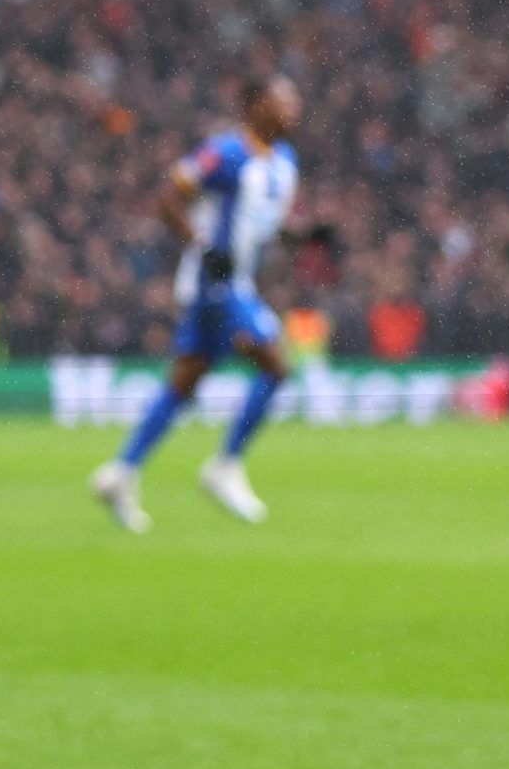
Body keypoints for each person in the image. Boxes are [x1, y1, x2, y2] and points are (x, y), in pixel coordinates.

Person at [92, 76, 331, 532]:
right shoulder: (225, 153)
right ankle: (225, 466)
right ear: (255, 105)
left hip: (235, 281)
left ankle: (121, 472)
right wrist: (200, 246)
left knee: (183, 384)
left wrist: (305, 236)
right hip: (213, 283)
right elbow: (169, 198)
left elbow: (260, 223)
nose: (293, 109)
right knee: (275, 364)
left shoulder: (284, 162)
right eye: (283, 100)